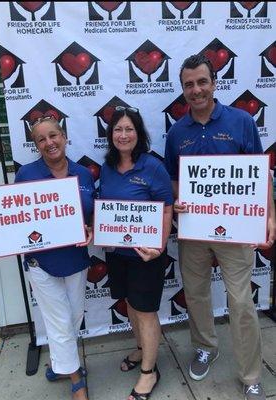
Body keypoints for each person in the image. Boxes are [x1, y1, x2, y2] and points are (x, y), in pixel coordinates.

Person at [164, 54, 276, 400]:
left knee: (241, 302)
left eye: (201, 82)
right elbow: (172, 179)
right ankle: (205, 347)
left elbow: (260, 175)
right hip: (194, 230)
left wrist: (270, 216)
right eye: (188, 84)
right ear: (182, 89)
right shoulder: (177, 131)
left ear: (214, 83)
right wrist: (179, 199)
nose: (196, 90)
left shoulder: (242, 121)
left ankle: (251, 374)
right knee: (196, 294)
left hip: (236, 229)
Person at [0, 116, 95, 400]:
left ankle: (60, 364)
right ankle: (76, 379)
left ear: (64, 137)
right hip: (41, 262)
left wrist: (91, 228)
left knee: (73, 317)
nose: (49, 143)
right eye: (41, 139)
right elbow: (13, 219)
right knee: (58, 321)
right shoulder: (27, 175)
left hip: (76, 258)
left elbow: (91, 212)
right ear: (36, 145)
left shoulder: (84, 173)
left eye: (53, 136)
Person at [99, 106, 173, 400]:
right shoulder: (107, 166)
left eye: (129, 129)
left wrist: (160, 246)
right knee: (130, 305)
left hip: (146, 255)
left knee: (145, 311)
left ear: (138, 133)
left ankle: (149, 372)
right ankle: (142, 350)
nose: (123, 134)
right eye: (118, 129)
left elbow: (167, 208)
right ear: (111, 135)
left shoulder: (153, 166)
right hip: (118, 253)